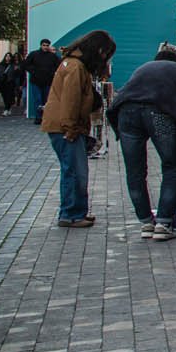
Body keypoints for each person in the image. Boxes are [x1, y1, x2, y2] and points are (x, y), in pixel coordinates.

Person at [107, 47, 176, 241]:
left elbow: (123, 94)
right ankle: (164, 223)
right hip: (159, 113)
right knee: (172, 167)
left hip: (126, 113)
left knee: (135, 170)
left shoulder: (143, 68)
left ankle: (146, 222)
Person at [40, 30, 115, 228]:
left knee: (74, 170)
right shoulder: (75, 67)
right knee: (75, 171)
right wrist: (71, 128)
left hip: (63, 125)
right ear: (99, 50)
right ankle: (71, 214)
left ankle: (75, 211)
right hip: (66, 127)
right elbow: (70, 101)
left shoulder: (72, 63)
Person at [22, 39, 61, 124]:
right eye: (44, 45)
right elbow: (26, 64)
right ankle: (38, 117)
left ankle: (45, 117)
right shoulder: (34, 54)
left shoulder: (52, 56)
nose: (45, 47)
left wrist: (51, 73)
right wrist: (34, 71)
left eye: (47, 45)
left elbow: (58, 65)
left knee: (46, 100)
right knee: (38, 100)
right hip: (36, 81)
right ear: (41, 45)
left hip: (47, 81)